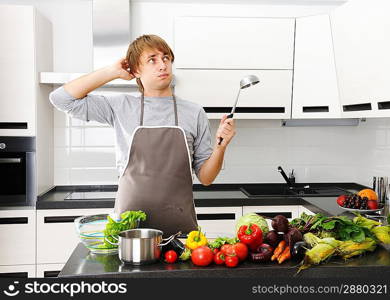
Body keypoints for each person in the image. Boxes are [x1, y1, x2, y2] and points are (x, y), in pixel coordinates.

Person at [49, 34, 236, 236]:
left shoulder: (194, 112)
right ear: (136, 70)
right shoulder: (120, 107)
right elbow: (61, 99)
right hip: (129, 231)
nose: (163, 65)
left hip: (180, 230)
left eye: (166, 58)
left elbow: (206, 178)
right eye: (152, 60)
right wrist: (112, 71)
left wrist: (220, 148)